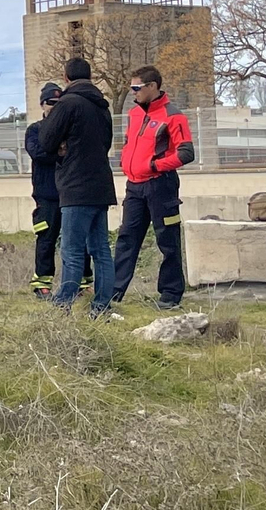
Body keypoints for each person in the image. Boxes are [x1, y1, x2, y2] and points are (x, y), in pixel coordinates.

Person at [35, 57, 116, 316]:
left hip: (75, 186)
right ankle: (101, 306)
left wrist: (62, 148)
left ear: (66, 77)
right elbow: (105, 143)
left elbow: (46, 140)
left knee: (71, 250)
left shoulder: (68, 103)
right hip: (101, 185)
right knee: (101, 250)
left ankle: (63, 305)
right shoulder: (103, 107)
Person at [111, 65, 194, 309]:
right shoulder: (134, 114)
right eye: (131, 87)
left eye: (136, 88)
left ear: (152, 86)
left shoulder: (173, 115)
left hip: (161, 186)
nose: (132, 92)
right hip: (134, 186)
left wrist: (155, 165)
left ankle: (170, 295)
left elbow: (186, 153)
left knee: (167, 240)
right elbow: (130, 143)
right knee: (126, 239)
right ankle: (113, 293)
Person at [25, 82, 67, 299]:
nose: (54, 107)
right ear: (43, 104)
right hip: (45, 196)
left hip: (69, 194)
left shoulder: (70, 128)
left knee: (77, 241)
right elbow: (38, 153)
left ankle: (81, 283)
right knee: (46, 238)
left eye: (59, 104)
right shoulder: (34, 130)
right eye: (51, 103)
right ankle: (42, 283)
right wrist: (59, 152)